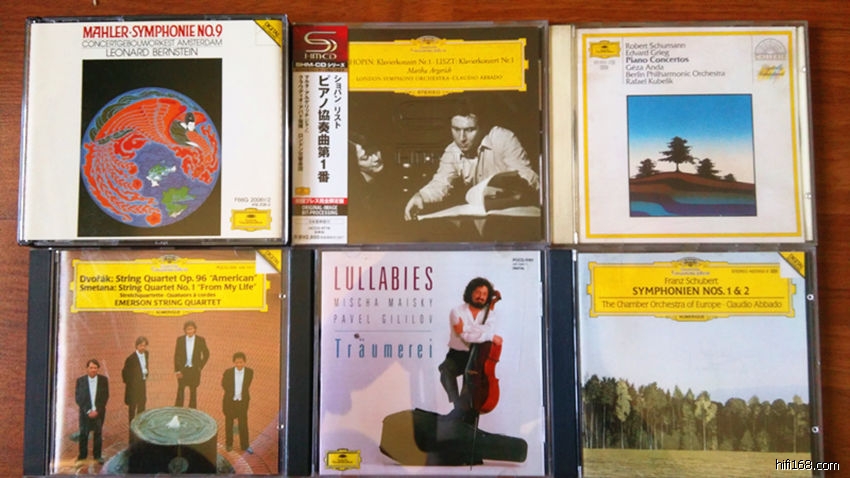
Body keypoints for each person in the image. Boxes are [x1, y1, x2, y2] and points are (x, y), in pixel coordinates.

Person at [404, 100, 539, 221]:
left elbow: (527, 175)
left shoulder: (503, 138)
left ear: (482, 127)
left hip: (517, 213)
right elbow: (441, 183)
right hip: (485, 217)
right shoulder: (452, 151)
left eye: (469, 130)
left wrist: (511, 187)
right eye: (456, 129)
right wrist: (420, 196)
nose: (462, 138)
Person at [438, 277, 502, 424]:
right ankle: (458, 407)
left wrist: (468, 328)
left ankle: (468, 414)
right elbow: (464, 335)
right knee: (445, 370)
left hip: (477, 356)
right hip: (457, 354)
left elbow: (485, 331)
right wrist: (486, 334)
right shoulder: (456, 311)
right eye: (478, 292)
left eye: (485, 294)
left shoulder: (490, 314)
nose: (481, 297)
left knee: (471, 382)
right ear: (470, 293)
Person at [348, 131, 405, 242]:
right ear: (354, 164)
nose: (375, 158)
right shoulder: (354, 195)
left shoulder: (389, 182)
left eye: (375, 151)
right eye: (365, 157)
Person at [75, 359, 109, 464]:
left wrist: (97, 411)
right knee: (83, 434)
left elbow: (105, 397)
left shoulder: (103, 380)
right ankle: (82, 455)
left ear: (98, 369)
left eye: (95, 368)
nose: (93, 370)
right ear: (87, 369)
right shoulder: (80, 381)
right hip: (85, 413)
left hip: (99, 412)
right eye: (91, 368)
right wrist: (88, 411)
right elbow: (79, 398)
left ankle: (97, 456)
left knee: (98, 434)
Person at [221, 352, 254, 453]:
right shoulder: (228, 372)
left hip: (242, 402)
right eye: (237, 362)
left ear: (244, 362)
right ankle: (229, 444)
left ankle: (245, 445)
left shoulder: (250, 372)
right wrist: (232, 393)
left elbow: (246, 386)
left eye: (241, 362)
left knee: (243, 423)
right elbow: (223, 384)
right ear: (234, 362)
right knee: (229, 423)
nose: (239, 364)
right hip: (230, 402)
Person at [173, 320, 209, 408]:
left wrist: (200, 366)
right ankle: (178, 409)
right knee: (180, 389)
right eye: (187, 329)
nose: (189, 331)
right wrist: (177, 370)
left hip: (194, 370)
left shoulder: (200, 340)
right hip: (183, 369)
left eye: (191, 329)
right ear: (185, 330)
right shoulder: (180, 340)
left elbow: (206, 354)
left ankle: (192, 410)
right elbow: (176, 355)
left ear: (195, 329)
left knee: (193, 391)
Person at [122, 336, 149, 440]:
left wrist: (145, 374)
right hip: (133, 388)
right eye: (141, 345)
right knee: (132, 409)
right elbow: (124, 374)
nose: (143, 347)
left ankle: (140, 427)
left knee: (142, 405)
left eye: (144, 345)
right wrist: (132, 383)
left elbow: (145, 366)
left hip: (142, 385)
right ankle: (132, 432)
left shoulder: (146, 354)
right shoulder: (130, 359)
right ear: (136, 346)